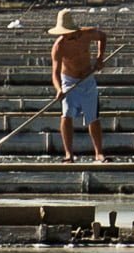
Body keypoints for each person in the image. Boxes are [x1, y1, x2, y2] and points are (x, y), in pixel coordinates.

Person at [46, 9, 110, 162]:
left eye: (68, 33)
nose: (66, 36)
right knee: (66, 114)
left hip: (87, 80)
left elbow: (103, 36)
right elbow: (55, 73)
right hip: (69, 81)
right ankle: (69, 154)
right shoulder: (59, 47)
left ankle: (98, 153)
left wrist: (100, 58)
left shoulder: (87, 34)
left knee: (92, 117)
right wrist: (59, 89)